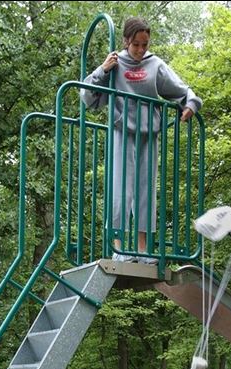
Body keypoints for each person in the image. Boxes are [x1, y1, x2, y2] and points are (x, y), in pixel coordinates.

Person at [81, 17, 202, 264]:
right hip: (121, 132)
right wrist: (103, 69)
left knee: (145, 190)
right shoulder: (114, 63)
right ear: (126, 41)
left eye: (144, 45)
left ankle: (144, 248)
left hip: (149, 134)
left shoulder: (154, 64)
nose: (140, 50)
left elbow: (180, 89)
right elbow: (86, 95)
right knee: (120, 188)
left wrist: (190, 103)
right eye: (136, 44)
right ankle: (120, 249)